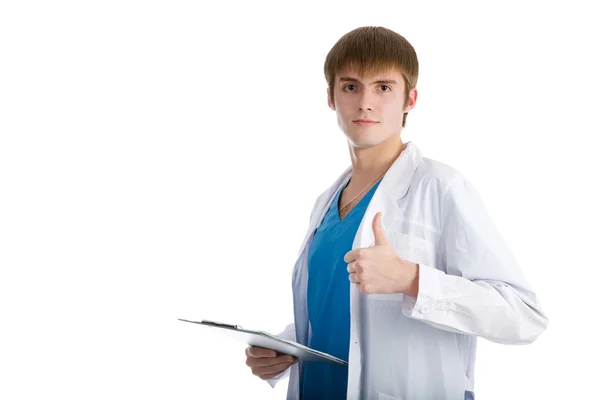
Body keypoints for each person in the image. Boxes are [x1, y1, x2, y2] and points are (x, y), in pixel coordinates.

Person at [244, 26, 548, 400]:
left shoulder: (440, 187)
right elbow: (343, 316)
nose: (365, 103)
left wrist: (412, 279)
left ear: (410, 99)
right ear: (331, 97)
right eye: (351, 86)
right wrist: (286, 347)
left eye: (383, 87)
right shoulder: (326, 202)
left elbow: (523, 316)